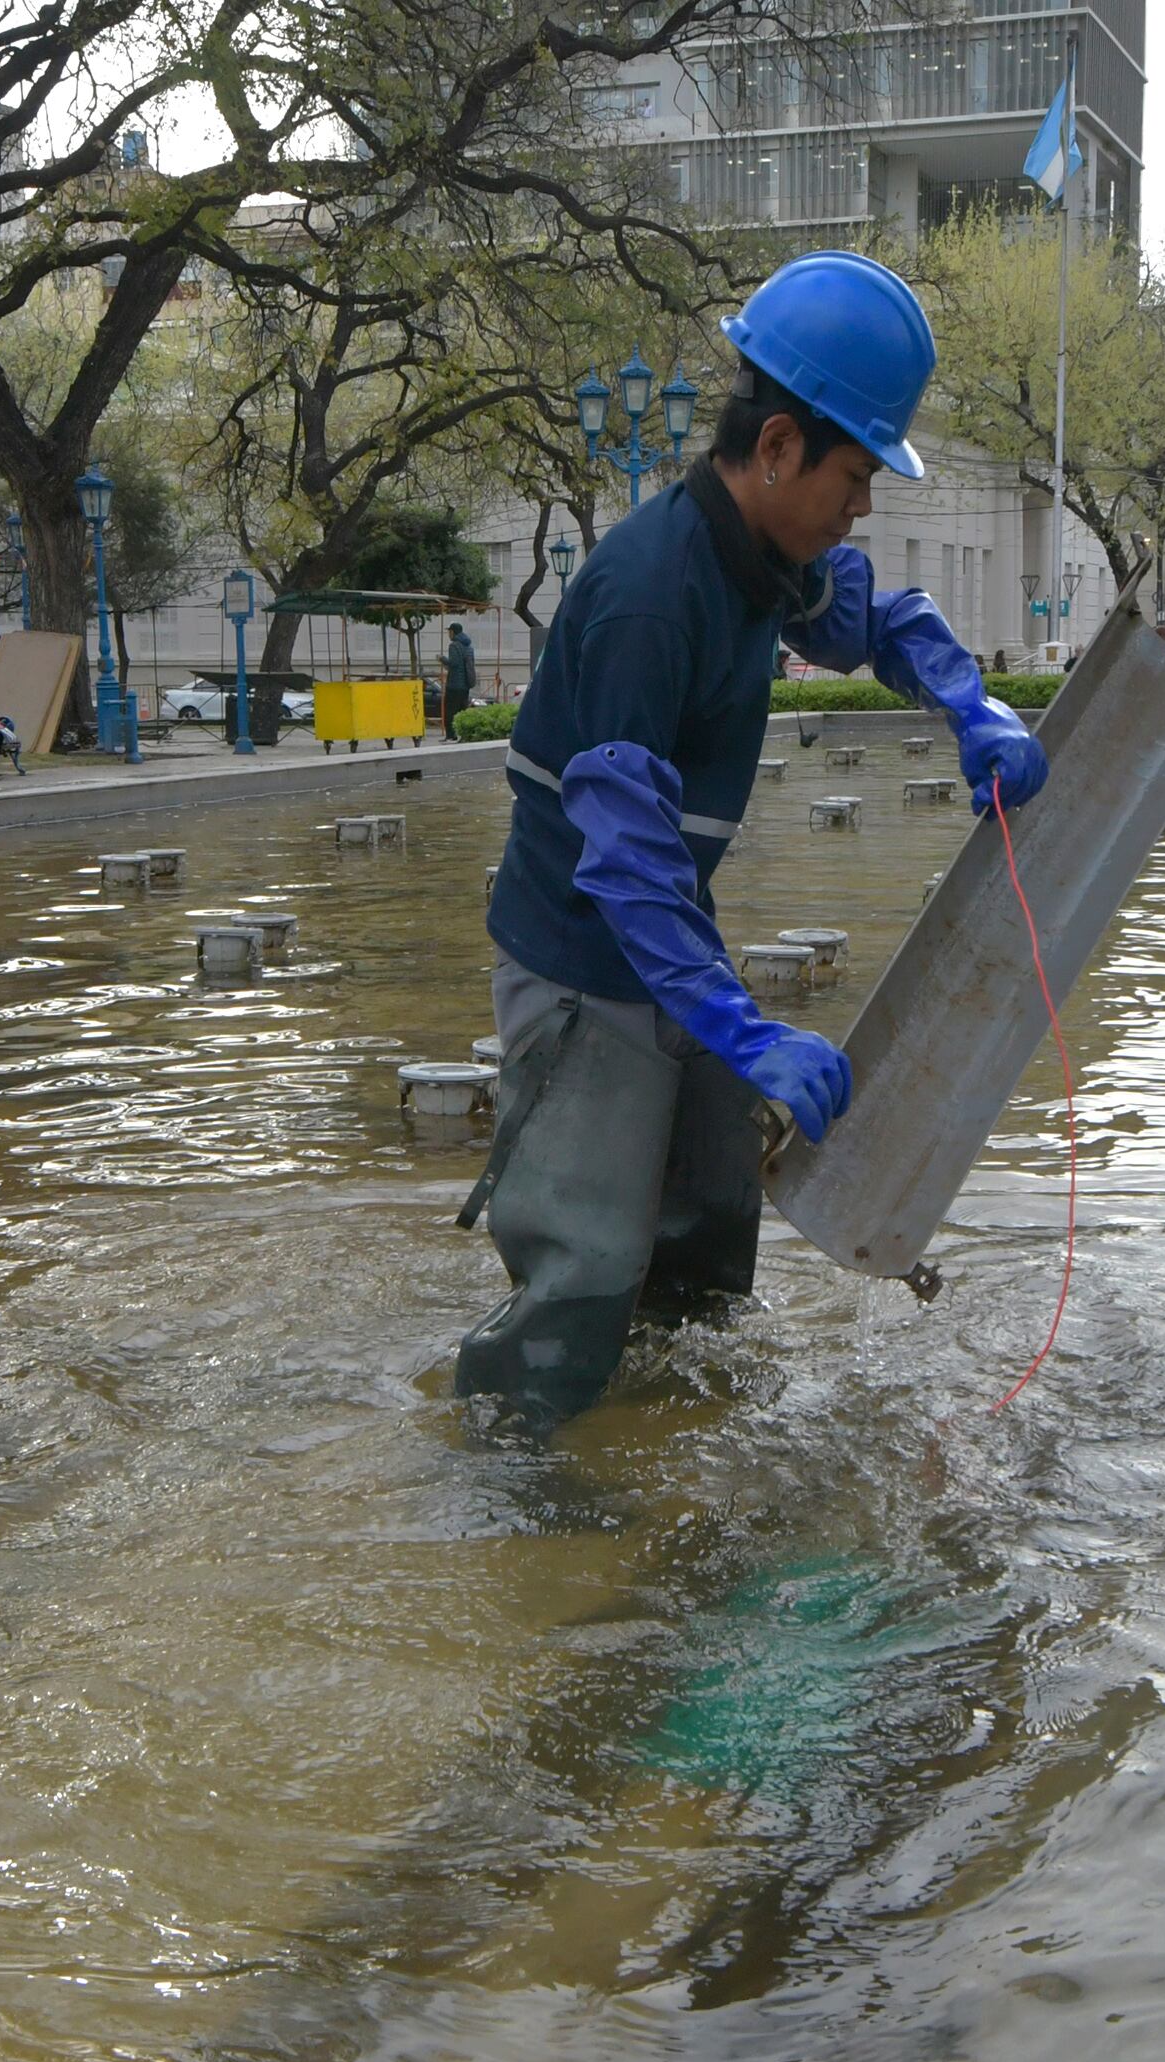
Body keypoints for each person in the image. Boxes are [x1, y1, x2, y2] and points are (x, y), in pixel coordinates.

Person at [454, 249, 1048, 1430]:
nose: (863, 503)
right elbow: (621, 864)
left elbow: (875, 618)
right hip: (581, 969)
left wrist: (969, 702)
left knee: (702, 1255)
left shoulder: (765, 563)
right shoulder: (647, 598)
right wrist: (744, 1029)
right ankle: (511, 1514)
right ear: (777, 448)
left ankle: (669, 1447)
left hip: (675, 957)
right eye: (855, 472)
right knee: (583, 1271)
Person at [442, 622, 478, 722]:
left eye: (449, 632)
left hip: (454, 684)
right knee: (462, 710)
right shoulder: (469, 647)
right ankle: (462, 732)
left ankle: (451, 735)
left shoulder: (454, 646)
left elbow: (454, 663)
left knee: (450, 710)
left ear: (453, 632)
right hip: (465, 684)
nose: (448, 634)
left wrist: (442, 659)